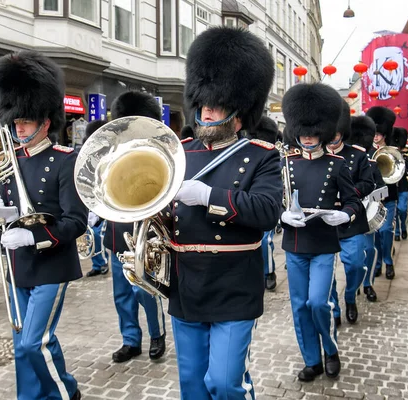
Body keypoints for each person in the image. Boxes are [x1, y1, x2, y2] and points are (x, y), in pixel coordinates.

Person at [169, 27, 281, 399]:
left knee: (225, 382)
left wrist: (207, 196)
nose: (206, 111)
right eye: (203, 104)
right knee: (192, 383)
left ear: (238, 111)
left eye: (216, 105)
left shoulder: (262, 155)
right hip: (186, 282)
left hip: (233, 283)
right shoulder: (178, 152)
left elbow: (267, 211)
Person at [0, 49, 87, 400]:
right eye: (15, 121)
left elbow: (75, 222)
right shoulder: (8, 161)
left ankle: (64, 393)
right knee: (22, 345)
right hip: (18, 267)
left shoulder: (65, 161)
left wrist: (33, 239)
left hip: (51, 263)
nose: (18, 127)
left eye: (25, 121)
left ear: (45, 121)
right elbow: (5, 212)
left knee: (34, 342)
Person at [281, 83, 360, 382]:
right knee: (300, 307)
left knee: (318, 302)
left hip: (324, 244)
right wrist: (282, 215)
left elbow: (353, 201)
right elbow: (276, 202)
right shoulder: (286, 164)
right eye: (303, 132)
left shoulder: (337, 165)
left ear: (323, 132)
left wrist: (344, 214)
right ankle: (311, 360)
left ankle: (331, 349)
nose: (308, 137)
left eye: (314, 132)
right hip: (295, 244)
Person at [102, 91, 167, 363]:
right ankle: (130, 340)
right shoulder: (112, 150)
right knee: (122, 295)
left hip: (145, 231)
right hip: (117, 231)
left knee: (145, 289)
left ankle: (157, 334)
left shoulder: (157, 148)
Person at [326, 100, 374, 326]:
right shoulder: (317, 155)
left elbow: (368, 182)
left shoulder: (358, 155)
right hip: (325, 221)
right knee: (327, 272)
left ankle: (350, 295)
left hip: (351, 218)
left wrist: (349, 192)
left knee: (355, 264)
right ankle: (334, 306)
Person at [346, 116, 382, 302]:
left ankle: (367, 284)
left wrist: (368, 197)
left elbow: (382, 190)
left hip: (366, 212)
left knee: (369, 248)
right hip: (346, 212)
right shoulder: (341, 160)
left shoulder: (372, 163)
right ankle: (351, 292)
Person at [248, 116, 280, 291]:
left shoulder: (273, 155)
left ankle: (269, 272)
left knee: (266, 240)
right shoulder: (246, 153)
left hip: (269, 200)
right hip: (248, 202)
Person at [365, 107, 397, 280]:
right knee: (375, 232)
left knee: (385, 231)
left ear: (385, 134)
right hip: (373, 199)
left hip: (389, 197)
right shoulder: (367, 152)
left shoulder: (392, 151)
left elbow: (397, 171)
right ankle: (377, 263)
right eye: (374, 133)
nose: (376, 136)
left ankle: (388, 260)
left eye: (379, 133)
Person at [82, 119, 110, 277]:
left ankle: (103, 262)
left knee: (99, 234)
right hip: (93, 200)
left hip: (107, 201)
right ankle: (97, 263)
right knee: (91, 235)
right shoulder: (89, 157)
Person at [395, 131, 408, 241]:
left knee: (402, 209)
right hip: (393, 188)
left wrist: (403, 169)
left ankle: (403, 227)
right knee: (395, 212)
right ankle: (396, 232)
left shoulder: (405, 158)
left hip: (403, 187)